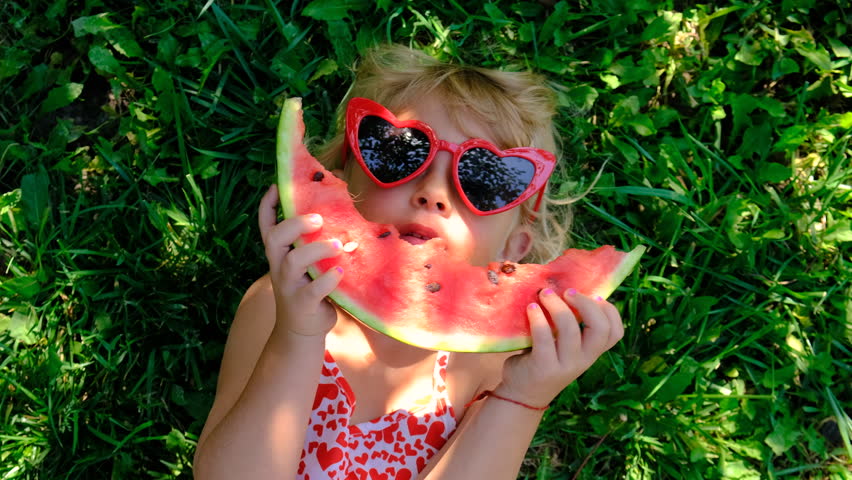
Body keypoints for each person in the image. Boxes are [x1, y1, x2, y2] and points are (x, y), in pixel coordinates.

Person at [193, 44, 624, 480]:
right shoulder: (280, 303)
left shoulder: (494, 366)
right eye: (399, 152)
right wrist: (297, 334)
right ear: (339, 183)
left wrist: (523, 397)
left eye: (483, 179)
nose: (433, 192)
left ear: (514, 248)